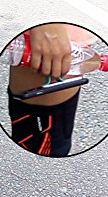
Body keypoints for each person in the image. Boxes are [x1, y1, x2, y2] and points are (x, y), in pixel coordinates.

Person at [7, 23, 97, 157]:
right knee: (44, 148)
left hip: (67, 39)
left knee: (51, 144)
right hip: (52, 36)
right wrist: (50, 25)